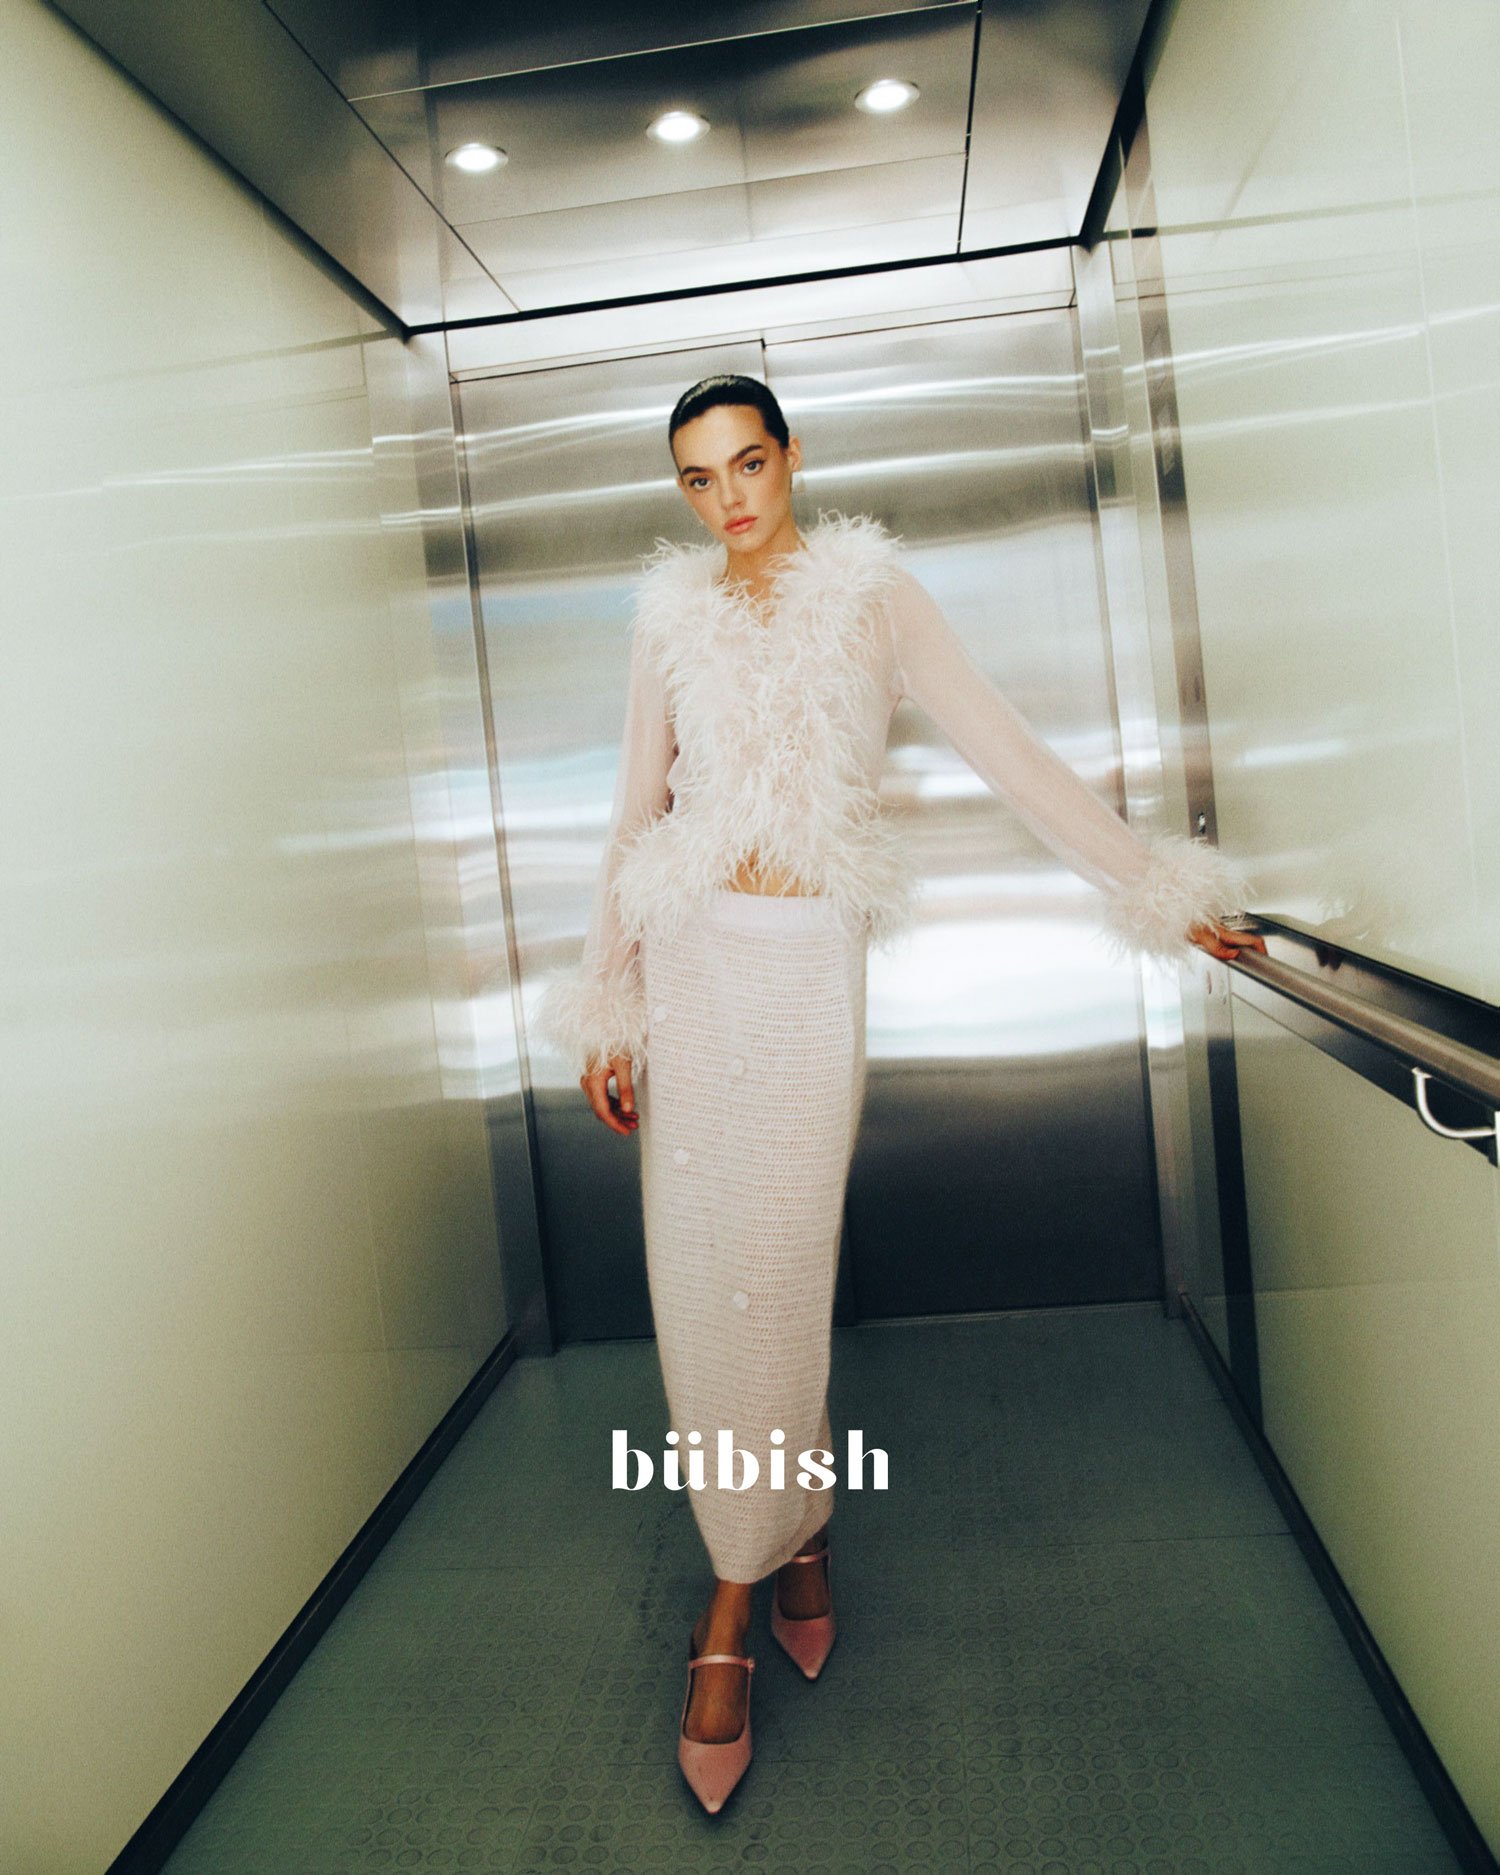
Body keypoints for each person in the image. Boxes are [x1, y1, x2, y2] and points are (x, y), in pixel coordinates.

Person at [537, 372, 1266, 1813]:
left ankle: (767, 1563)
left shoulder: (875, 597)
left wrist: (1160, 889)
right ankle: (754, 1575)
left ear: (791, 457)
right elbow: (636, 810)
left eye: (748, 464)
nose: (730, 499)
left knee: (778, 1277)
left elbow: (1011, 756)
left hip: (807, 972)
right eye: (699, 480)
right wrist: (606, 1004)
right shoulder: (670, 616)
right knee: (698, 1290)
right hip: (688, 966)